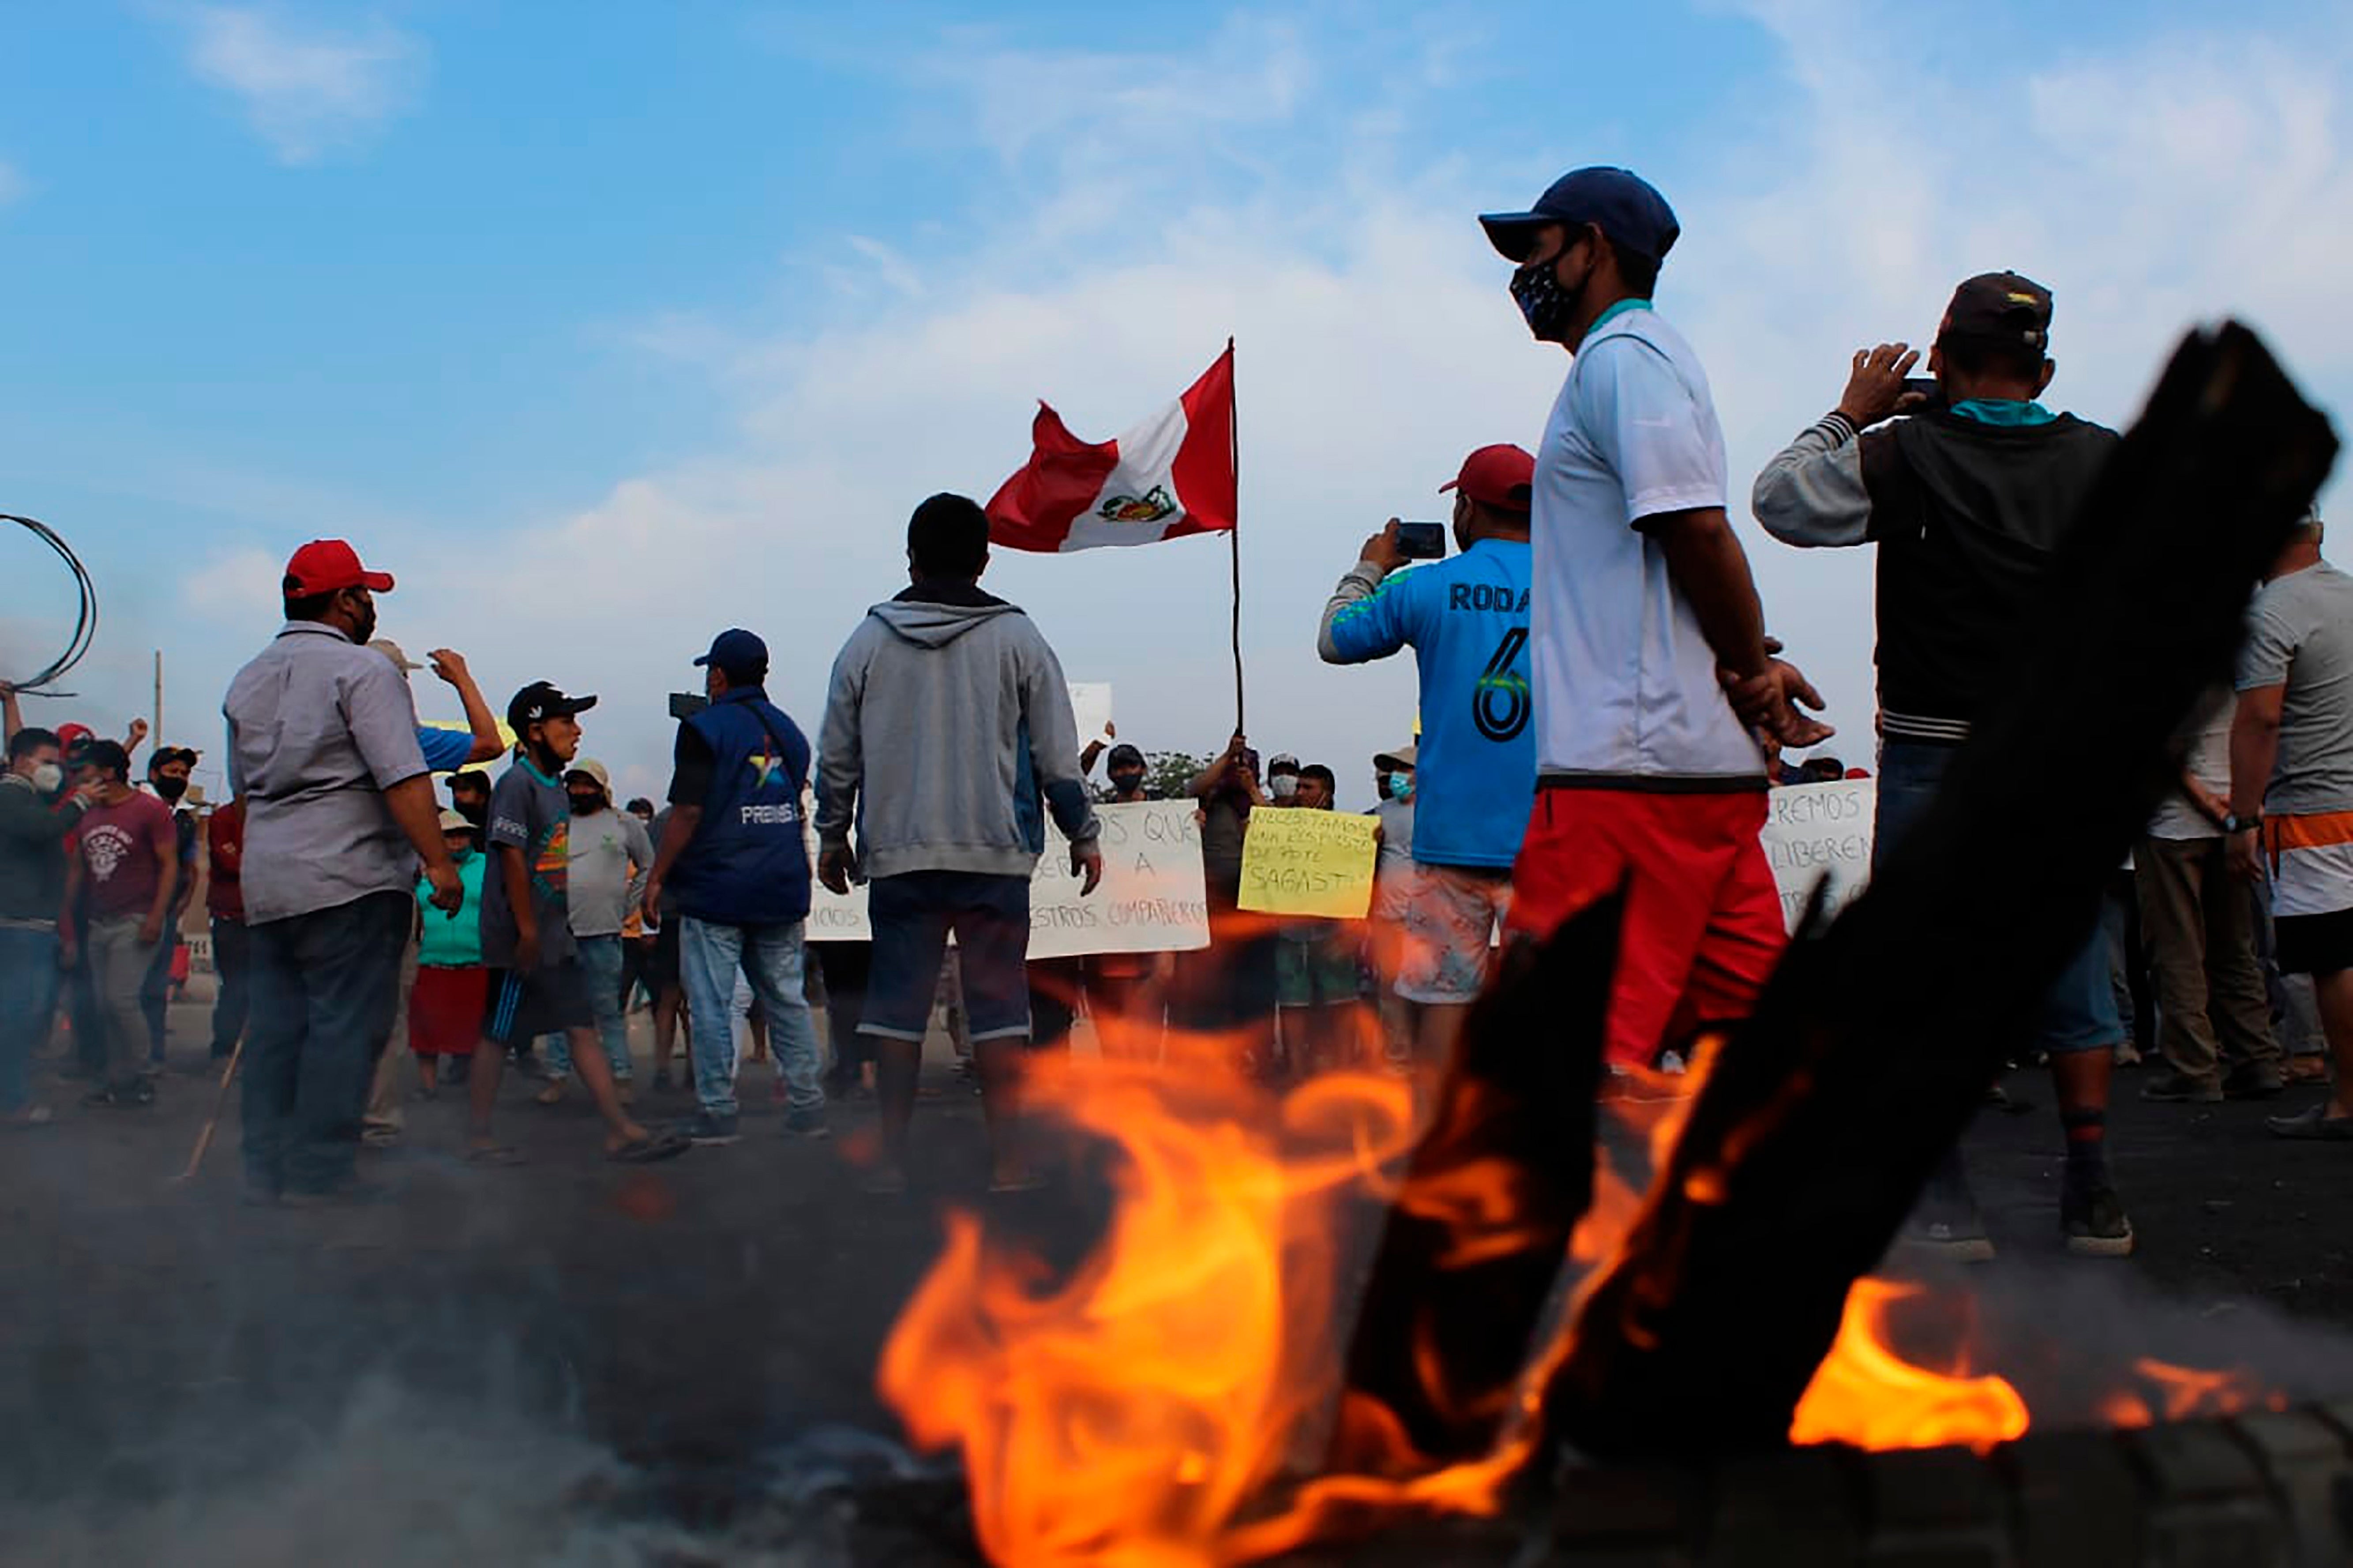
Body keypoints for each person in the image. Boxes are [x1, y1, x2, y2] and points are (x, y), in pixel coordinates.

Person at [1751, 270, 2132, 1257]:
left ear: (1941, 360)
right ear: (2041, 368)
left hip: (1929, 746)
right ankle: (2091, 1189)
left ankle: (1947, 1196)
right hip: (2057, 751)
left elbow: (1777, 503)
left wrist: (1848, 415)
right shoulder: (2104, 461)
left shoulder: (1903, 452)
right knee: (2072, 962)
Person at [1478, 167, 1831, 1087]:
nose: (1526, 271)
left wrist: (1750, 668)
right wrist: (1746, 667)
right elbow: (1679, 555)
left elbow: (1694, 526)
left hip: (1619, 782)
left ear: (1592, 245)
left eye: (1537, 247)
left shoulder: (1621, 359)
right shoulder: (1639, 363)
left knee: (1556, 1071)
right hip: (1695, 783)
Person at [816, 494, 1103, 1193]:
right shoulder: (1019, 638)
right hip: (994, 856)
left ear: (910, 557)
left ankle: (889, 1162)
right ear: (984, 559)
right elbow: (1058, 756)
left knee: (896, 1010)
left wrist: (831, 834)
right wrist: (1083, 832)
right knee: (1001, 1008)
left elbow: (837, 755)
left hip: (899, 854)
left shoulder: (868, 641)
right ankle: (1008, 1162)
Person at [224, 540, 464, 1201]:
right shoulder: (362, 672)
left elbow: (244, 795)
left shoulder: (247, 678)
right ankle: (318, 1171)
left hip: (271, 882)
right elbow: (403, 777)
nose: (371, 608)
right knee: (343, 1028)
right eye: (367, 596)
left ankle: (264, 1166)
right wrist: (440, 863)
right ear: (344, 601)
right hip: (349, 879)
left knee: (278, 1027)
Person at [1319, 443, 1538, 1070]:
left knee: (1445, 1005)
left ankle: (1433, 1151)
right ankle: (1537, 1151)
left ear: (1465, 506)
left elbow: (1334, 638)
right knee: (1545, 1006)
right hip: (1551, 840)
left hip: (1451, 844)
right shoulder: (1580, 586)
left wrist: (1370, 567)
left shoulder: (1427, 585)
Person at [470, 683, 684, 1164]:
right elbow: (509, 858)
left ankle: (620, 1129)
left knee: (581, 1025)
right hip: (519, 941)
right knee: (496, 1033)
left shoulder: (553, 788)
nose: (576, 730)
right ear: (534, 730)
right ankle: (479, 1136)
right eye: (565, 722)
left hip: (553, 935)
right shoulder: (517, 783)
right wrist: (525, 930)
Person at [643, 630, 827, 1144]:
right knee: (786, 997)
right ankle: (808, 1106)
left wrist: (656, 876)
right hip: (781, 883)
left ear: (718, 675)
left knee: (710, 1001)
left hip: (717, 887)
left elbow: (688, 809)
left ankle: (717, 1111)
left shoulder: (703, 728)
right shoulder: (788, 732)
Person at [2226, 511, 2353, 1140]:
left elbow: (2258, 721)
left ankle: (2348, 1101)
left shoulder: (2270, 612)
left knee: (2332, 960)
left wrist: (2242, 816)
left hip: (2313, 809)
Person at [2135, 690, 2285, 1102]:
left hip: (2176, 824)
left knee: (2176, 949)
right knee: (2235, 947)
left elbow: (2161, 749)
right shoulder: (2253, 662)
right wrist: (2240, 815)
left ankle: (2193, 1067)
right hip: (2237, 819)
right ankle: (2255, 1057)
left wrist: (2213, 809)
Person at [61, 740, 179, 1110]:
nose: (79, 776)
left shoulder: (149, 810)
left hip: (136, 917)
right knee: (102, 1003)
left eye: (85, 770)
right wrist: (64, 921)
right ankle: (117, 1079)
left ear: (108, 773)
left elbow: (170, 864)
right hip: (99, 921)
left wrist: (158, 917)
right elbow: (77, 870)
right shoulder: (86, 812)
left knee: (121, 999)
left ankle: (142, 1075)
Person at [535, 758, 651, 1104]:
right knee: (560, 1012)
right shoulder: (558, 825)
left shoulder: (624, 823)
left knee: (607, 1011)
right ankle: (557, 1077)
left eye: (588, 785)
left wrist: (628, 907)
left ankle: (621, 1079)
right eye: (575, 785)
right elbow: (540, 869)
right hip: (561, 933)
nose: (580, 791)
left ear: (601, 788)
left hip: (604, 932)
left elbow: (647, 865)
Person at [0, 726, 95, 1125]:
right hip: (20, 924)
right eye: (48, 762)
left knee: (20, 1015)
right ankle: (12, 1103)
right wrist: (82, 803)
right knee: (16, 1017)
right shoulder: (10, 795)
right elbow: (43, 828)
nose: (55, 772)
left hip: (29, 923)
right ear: (22, 761)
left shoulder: (28, 795)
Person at [1176, 735, 1280, 1073]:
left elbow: (1278, 833)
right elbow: (1193, 786)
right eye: (1235, 768)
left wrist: (1251, 790)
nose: (1239, 773)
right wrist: (1227, 756)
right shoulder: (1208, 803)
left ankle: (1256, 1054)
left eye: (1245, 767)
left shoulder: (1260, 804)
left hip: (1255, 908)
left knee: (1254, 985)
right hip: (1216, 905)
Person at [1273, 764, 1365, 1075]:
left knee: (1340, 1003)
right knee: (1292, 1005)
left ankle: (1343, 1072)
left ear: (1326, 794)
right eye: (1298, 787)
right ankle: (1297, 1071)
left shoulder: (1346, 832)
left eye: (1307, 787)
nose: (1299, 793)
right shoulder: (1280, 828)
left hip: (1331, 931)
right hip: (1290, 932)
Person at [408, 809, 489, 1096]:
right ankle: (429, 1088)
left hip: (476, 961)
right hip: (430, 961)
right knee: (425, 1032)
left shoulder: (487, 866)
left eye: (461, 833)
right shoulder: (419, 870)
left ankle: (478, 1089)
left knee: (478, 1032)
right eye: (449, 835)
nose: (456, 840)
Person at [138, 745, 201, 1071]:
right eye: (172, 772)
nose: (179, 778)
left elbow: (190, 869)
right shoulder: (137, 807)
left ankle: (154, 1054)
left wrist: (180, 907)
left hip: (163, 916)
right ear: (153, 774)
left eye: (184, 773)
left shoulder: (185, 820)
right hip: (130, 912)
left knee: (154, 988)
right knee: (121, 991)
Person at [369, 640, 505, 771]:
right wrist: (462, 679)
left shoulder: (353, 730)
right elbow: (490, 746)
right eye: (405, 677)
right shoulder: (408, 742)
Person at [1366, 744, 1420, 1068]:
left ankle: (1423, 1052)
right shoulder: (1380, 813)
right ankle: (1397, 1053)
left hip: (1425, 918)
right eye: (1394, 769)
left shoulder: (1437, 809)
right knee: (1389, 989)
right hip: (1387, 916)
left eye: (1403, 768)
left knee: (1425, 988)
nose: (1396, 775)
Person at [204, 795, 250, 1063]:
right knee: (235, 986)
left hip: (264, 916)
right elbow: (229, 862)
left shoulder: (269, 817)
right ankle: (225, 1046)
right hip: (231, 915)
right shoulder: (224, 818)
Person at [448, 769, 492, 834]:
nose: (457, 795)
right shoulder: (456, 818)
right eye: (455, 790)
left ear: (481, 790)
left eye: (464, 789)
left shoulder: (498, 816)